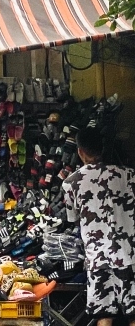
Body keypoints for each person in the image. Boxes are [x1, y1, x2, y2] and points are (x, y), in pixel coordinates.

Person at [61, 126, 135, 326]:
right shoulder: (129, 176)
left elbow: (72, 219)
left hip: (97, 258)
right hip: (128, 256)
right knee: (133, 313)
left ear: (79, 151)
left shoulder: (70, 184)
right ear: (102, 148)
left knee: (103, 314)